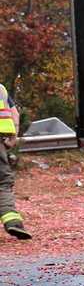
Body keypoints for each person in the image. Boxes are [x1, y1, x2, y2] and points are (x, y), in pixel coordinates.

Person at [0, 84, 30, 240]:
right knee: (2, 183)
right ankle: (13, 222)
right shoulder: (1, 89)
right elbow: (14, 114)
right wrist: (12, 137)